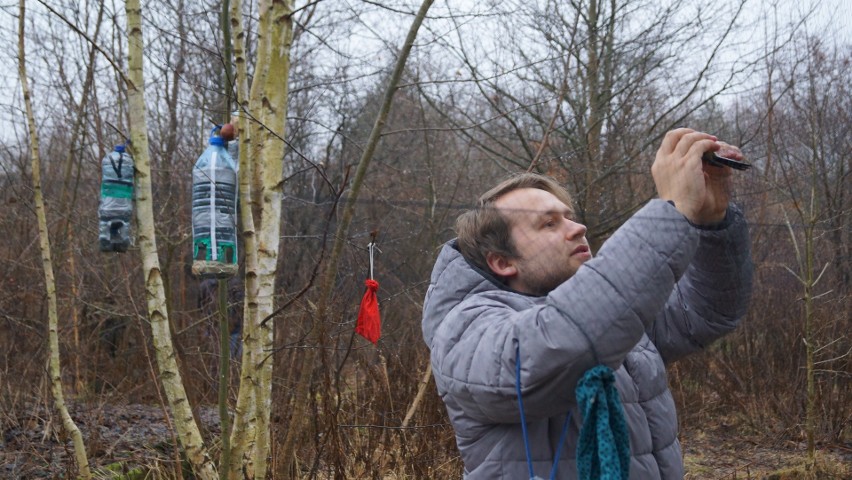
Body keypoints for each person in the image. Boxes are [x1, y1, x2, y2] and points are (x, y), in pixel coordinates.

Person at [421, 128, 754, 479]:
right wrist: (671, 212)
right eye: (549, 224)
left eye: (569, 216)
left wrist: (711, 222)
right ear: (502, 262)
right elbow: (557, 346)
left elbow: (706, 312)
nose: (577, 228)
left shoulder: (612, 312)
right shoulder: (464, 327)